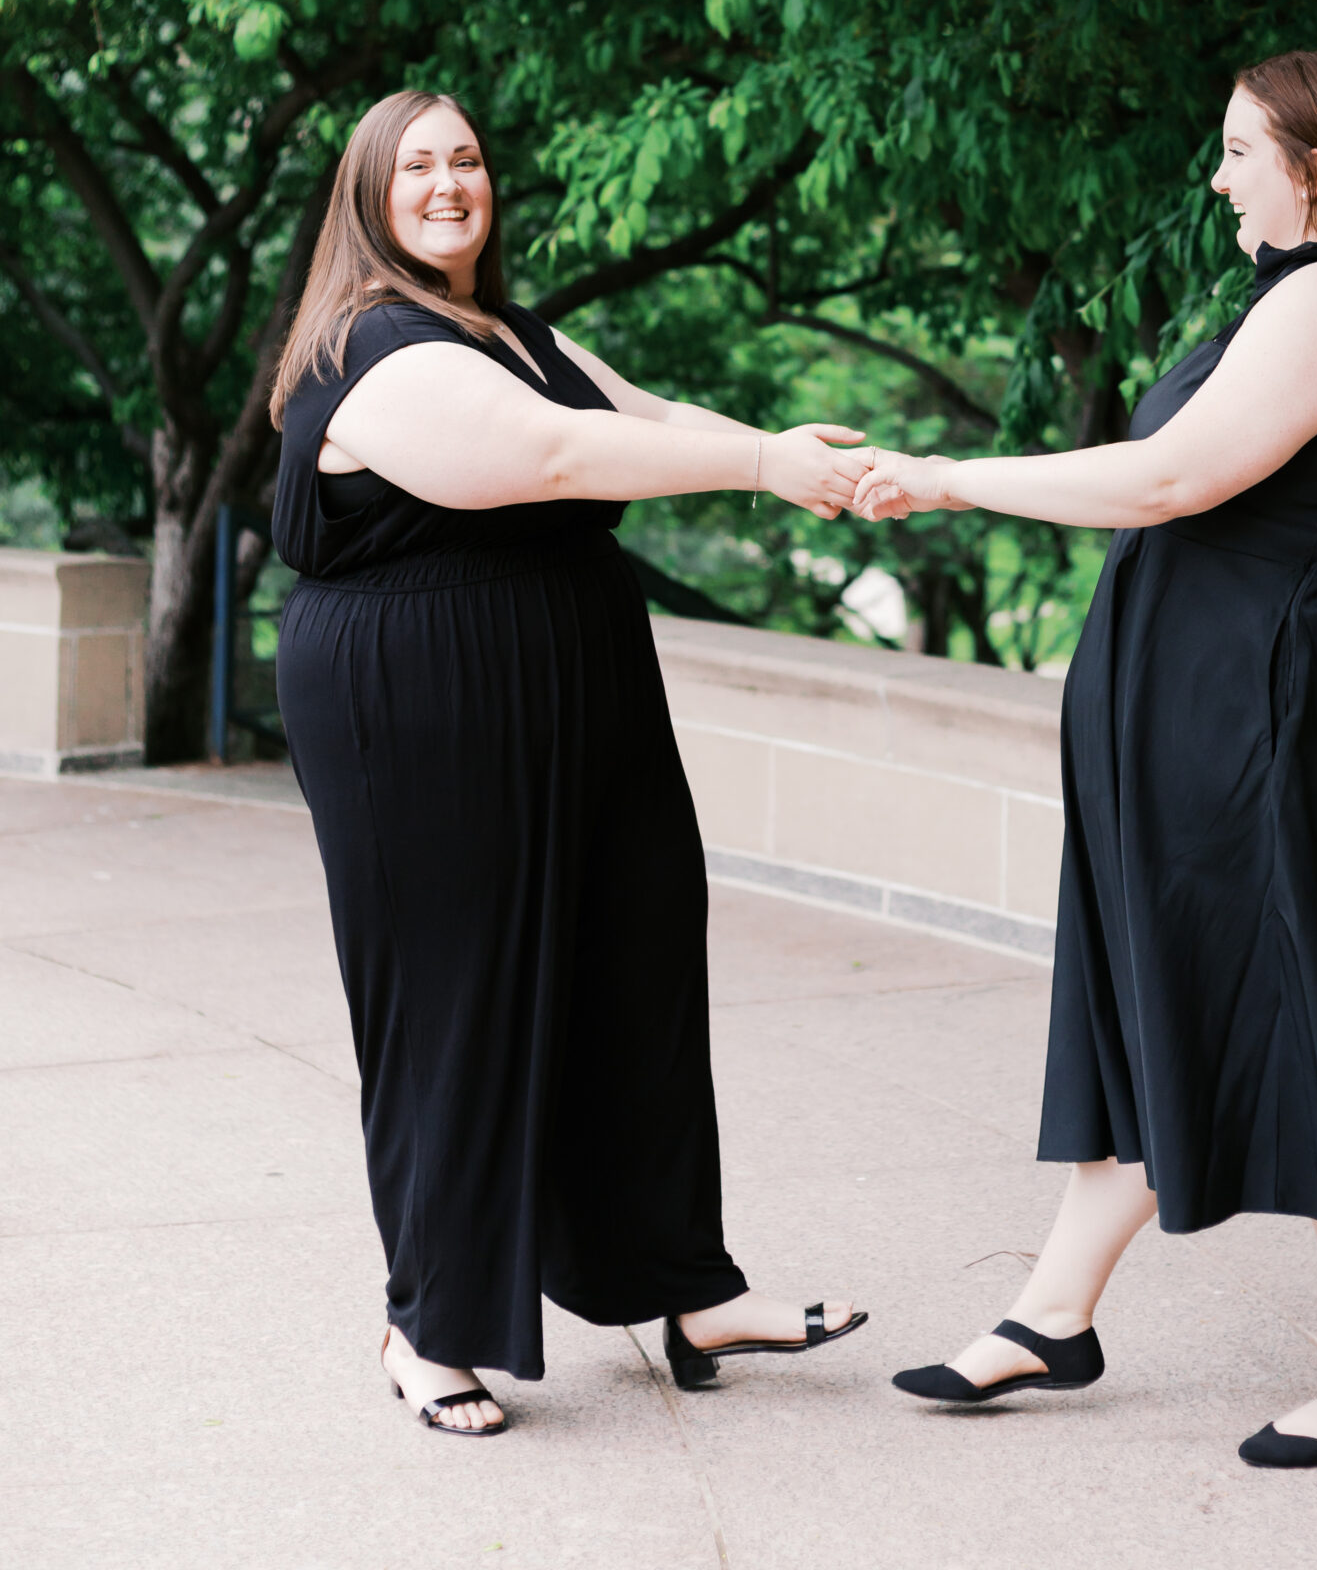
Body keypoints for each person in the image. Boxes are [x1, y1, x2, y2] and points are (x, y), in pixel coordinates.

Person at [855, 50, 1317, 1465]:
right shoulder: (1295, 297)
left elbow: (1166, 481)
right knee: (1172, 995)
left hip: (1292, 736)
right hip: (1228, 733)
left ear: (1311, 166)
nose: (1217, 178)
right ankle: (1051, 1313)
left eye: (1238, 152)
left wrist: (945, 477)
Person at [271, 89, 871, 1436]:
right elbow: (550, 454)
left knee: (637, 957)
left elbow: (644, 419)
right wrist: (765, 468)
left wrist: (811, 458)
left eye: (468, 158)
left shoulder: (514, 332)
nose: (447, 182)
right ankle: (426, 1327)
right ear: (368, 196)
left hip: (576, 690)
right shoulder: (377, 343)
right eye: (416, 164)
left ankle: (682, 1288)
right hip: (420, 704)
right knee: (458, 1000)